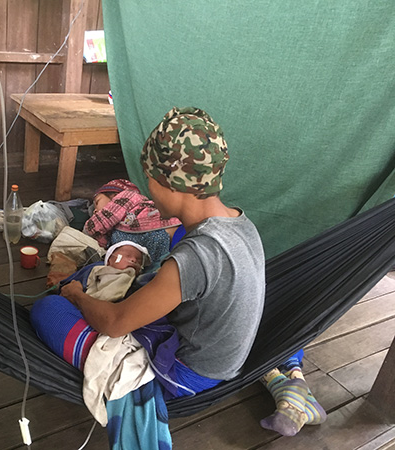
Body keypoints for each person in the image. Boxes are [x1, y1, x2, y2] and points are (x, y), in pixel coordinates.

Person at [30, 106, 324, 439]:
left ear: (167, 183)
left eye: (149, 181)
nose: (148, 191)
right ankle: (286, 377)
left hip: (188, 375)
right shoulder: (242, 224)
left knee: (47, 310)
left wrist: (78, 297)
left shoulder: (196, 256)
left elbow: (113, 324)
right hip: (223, 353)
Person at [83, 178, 181, 267]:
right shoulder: (115, 228)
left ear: (114, 195)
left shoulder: (127, 196)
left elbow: (100, 223)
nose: (95, 211)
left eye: (97, 202)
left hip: (172, 231)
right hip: (158, 254)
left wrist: (85, 231)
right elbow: (102, 243)